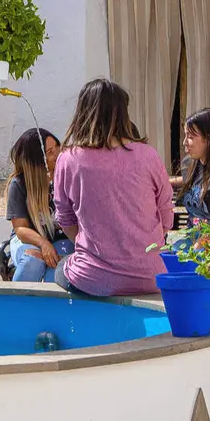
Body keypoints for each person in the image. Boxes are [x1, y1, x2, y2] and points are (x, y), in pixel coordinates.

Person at [52, 79, 173, 296]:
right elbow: (166, 216)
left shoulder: (68, 159)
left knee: (61, 269)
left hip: (93, 278)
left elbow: (65, 219)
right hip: (150, 275)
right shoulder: (148, 155)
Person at [5, 128, 74, 282]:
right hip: (29, 239)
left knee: (58, 269)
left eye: (57, 146)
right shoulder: (19, 184)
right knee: (32, 262)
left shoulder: (68, 177)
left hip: (62, 238)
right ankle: (16, 305)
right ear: (37, 160)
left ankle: (51, 306)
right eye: (50, 152)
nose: (57, 153)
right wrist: (43, 244)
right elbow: (21, 229)